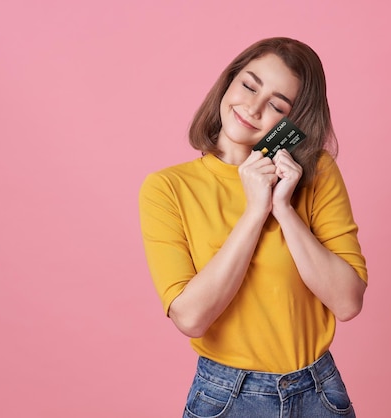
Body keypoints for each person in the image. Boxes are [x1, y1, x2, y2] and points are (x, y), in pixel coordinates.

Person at [139, 37, 368, 417]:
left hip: (319, 392)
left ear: (293, 123)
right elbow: (191, 318)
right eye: (248, 85)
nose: (252, 107)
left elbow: (347, 302)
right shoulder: (167, 188)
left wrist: (283, 207)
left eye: (277, 105)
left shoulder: (316, 173)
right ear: (228, 81)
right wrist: (254, 211)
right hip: (227, 397)